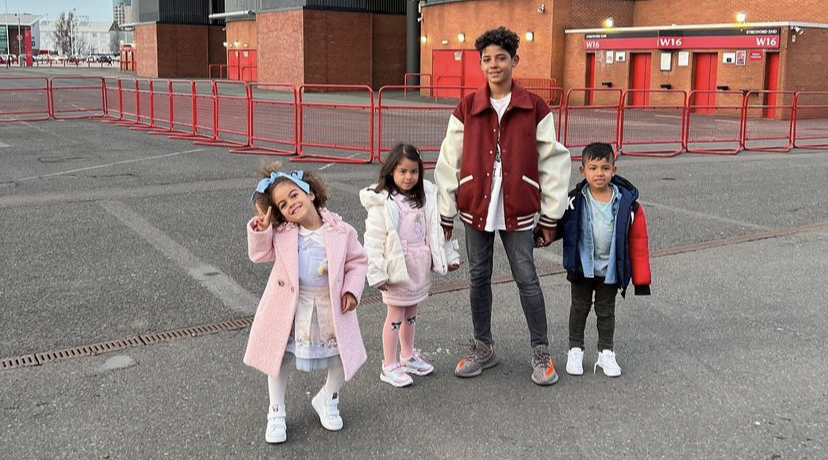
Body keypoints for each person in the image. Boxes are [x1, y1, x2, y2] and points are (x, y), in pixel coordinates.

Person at [434, 26, 571, 386]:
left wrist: (551, 216)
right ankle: (483, 346)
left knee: (526, 277)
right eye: (487, 59)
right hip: (476, 207)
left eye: (501, 58)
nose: (493, 65)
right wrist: (445, 210)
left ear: (514, 60)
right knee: (478, 276)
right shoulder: (467, 107)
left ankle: (541, 351)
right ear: (480, 64)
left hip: (519, 208)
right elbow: (449, 160)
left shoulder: (534, 106)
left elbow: (553, 161)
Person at [244, 163, 368, 443]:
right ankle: (276, 410)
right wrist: (261, 230)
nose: (291, 204)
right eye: (283, 204)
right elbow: (259, 255)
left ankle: (328, 397)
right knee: (279, 357)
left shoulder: (341, 230)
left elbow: (358, 261)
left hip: (329, 306)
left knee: (341, 355)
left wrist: (351, 290)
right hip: (291, 308)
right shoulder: (283, 233)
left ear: (310, 193)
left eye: (294, 195)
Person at [360, 143, 461, 387]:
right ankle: (389, 364)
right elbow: (373, 240)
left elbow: (435, 231)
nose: (408, 177)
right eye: (403, 171)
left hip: (418, 266)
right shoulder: (383, 202)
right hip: (397, 267)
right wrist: (377, 272)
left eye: (414, 171)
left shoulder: (424, 198)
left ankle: (407, 356)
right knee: (395, 315)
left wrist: (449, 256)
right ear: (391, 171)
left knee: (411, 313)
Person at [555, 142, 651, 378]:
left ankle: (606, 352)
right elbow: (557, 225)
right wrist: (539, 235)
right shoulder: (574, 200)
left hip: (610, 269)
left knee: (606, 311)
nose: (599, 173)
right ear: (583, 171)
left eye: (605, 168)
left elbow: (638, 242)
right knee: (579, 308)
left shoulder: (627, 204)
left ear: (614, 170)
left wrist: (641, 280)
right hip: (582, 267)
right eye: (593, 168)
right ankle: (575, 350)